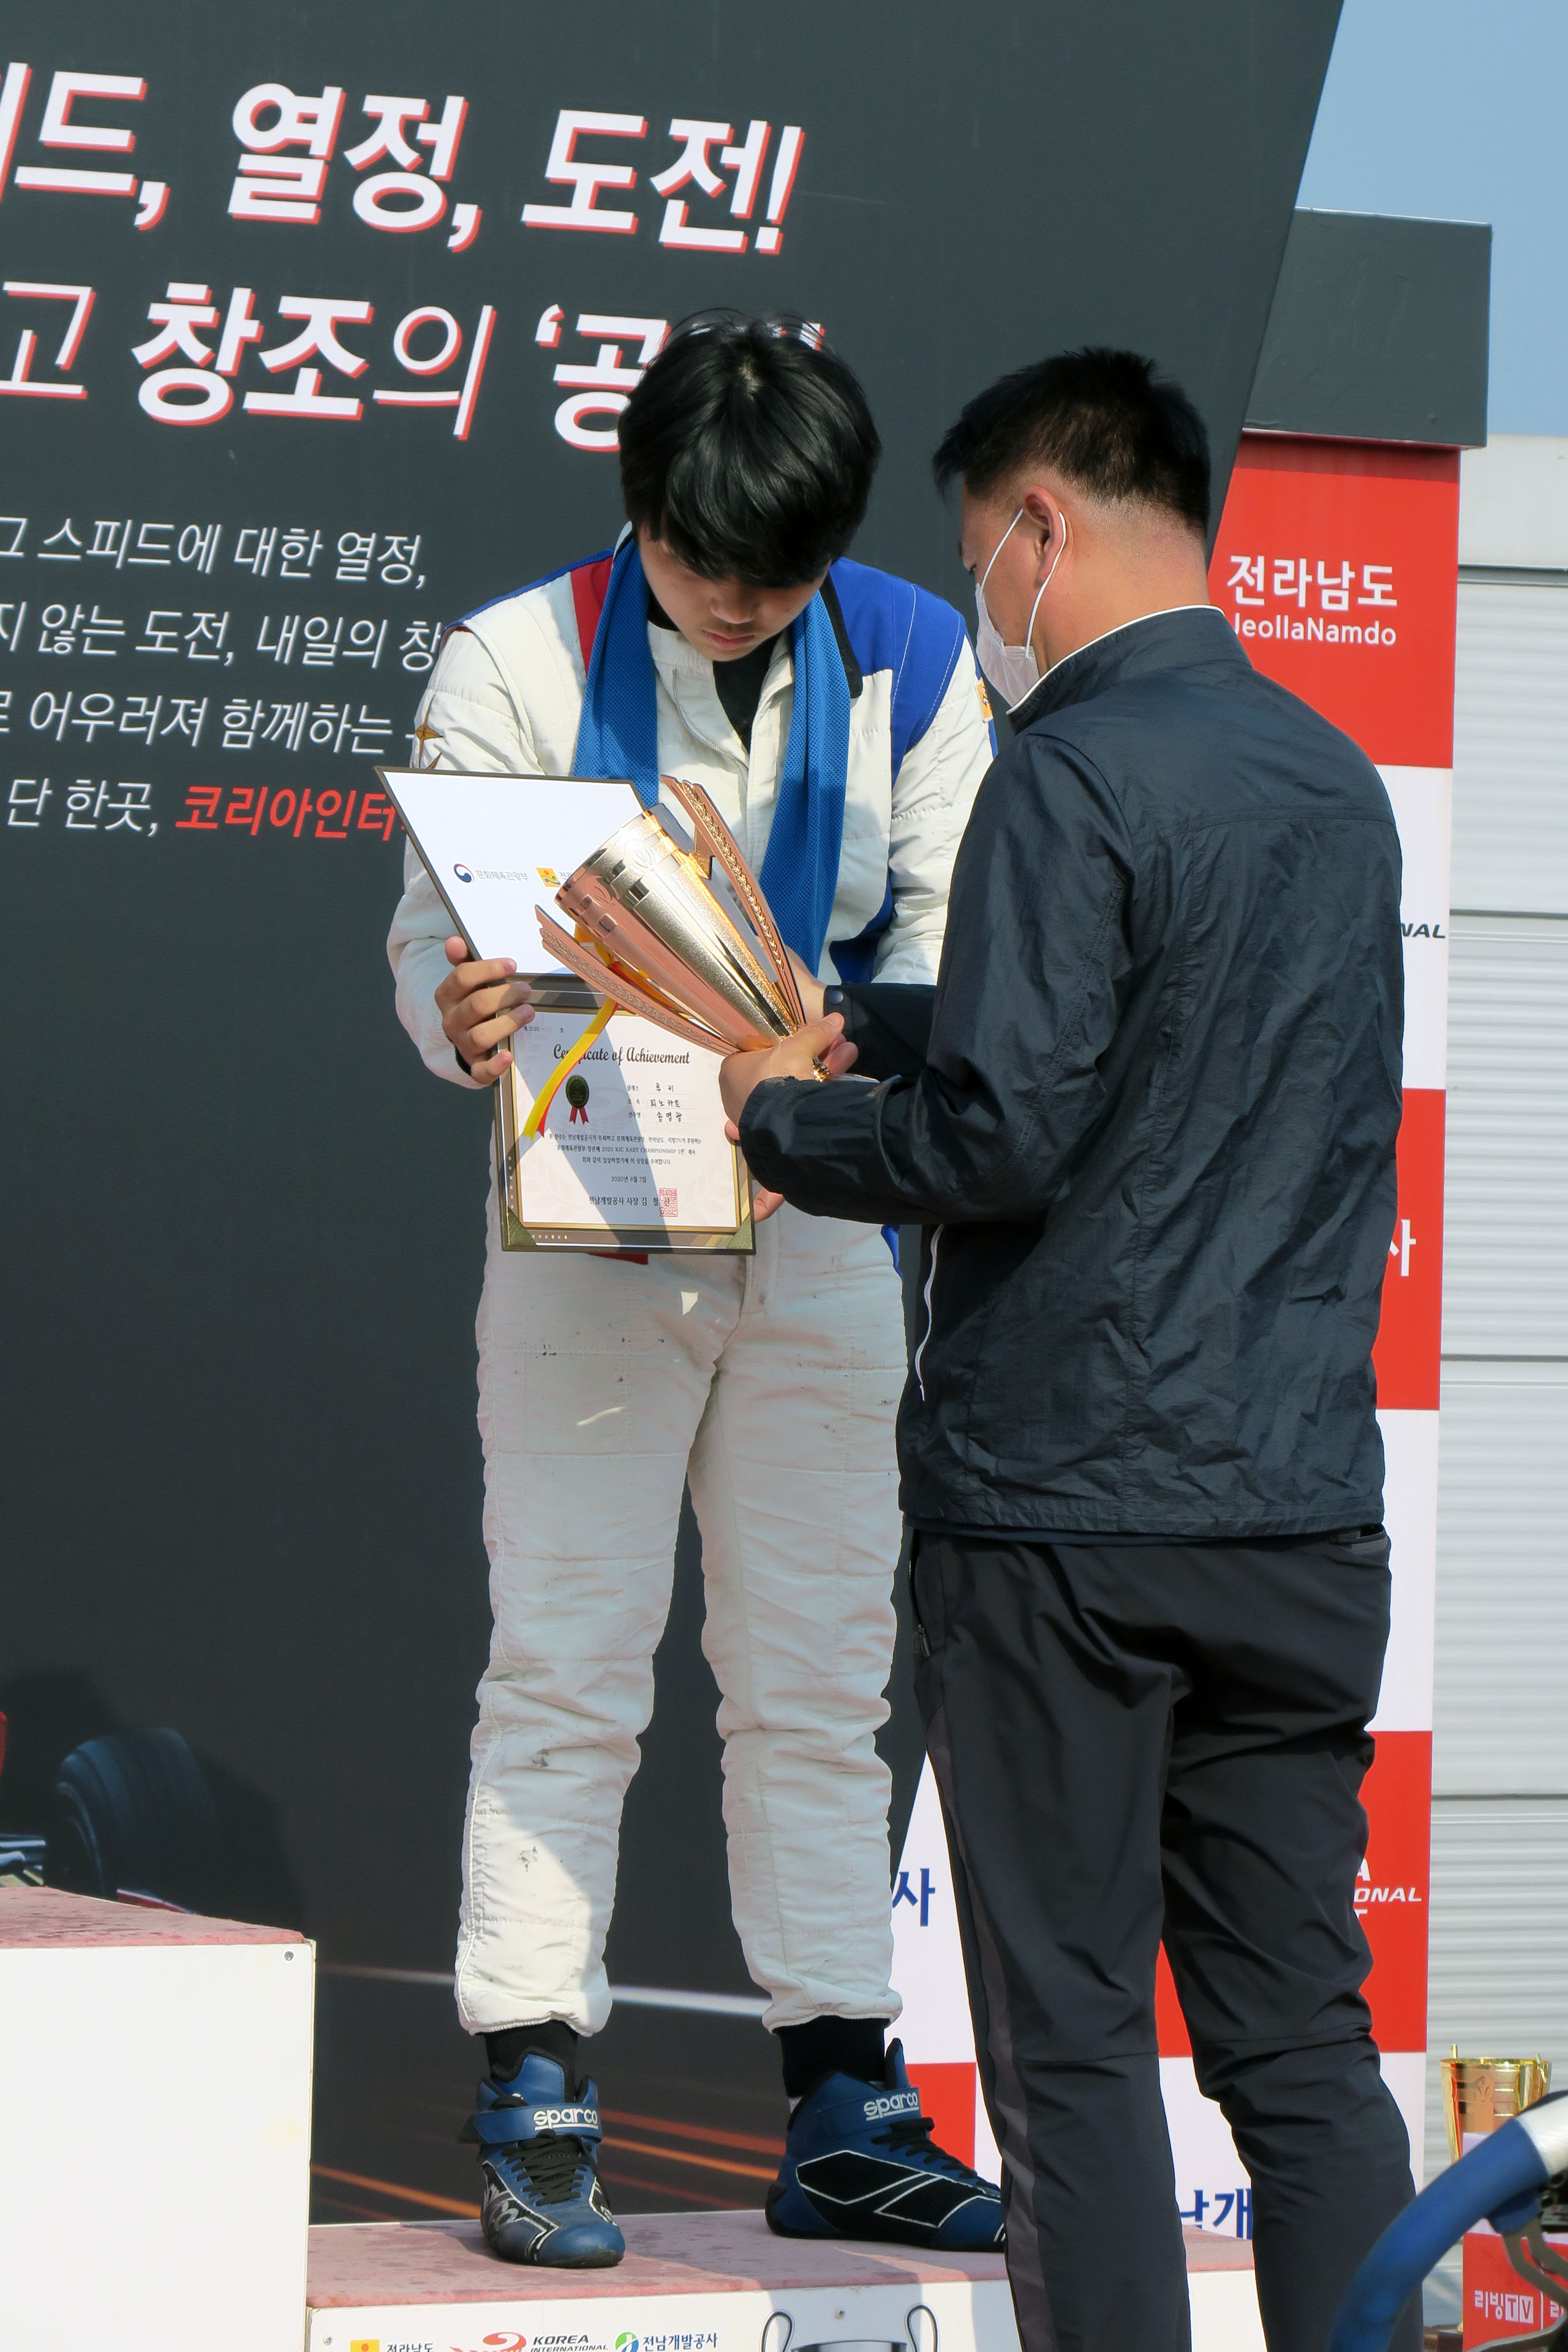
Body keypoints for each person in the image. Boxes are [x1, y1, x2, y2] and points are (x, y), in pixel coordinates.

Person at [719, 347, 1417, 2352]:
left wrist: (782, 1114)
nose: (985, 608)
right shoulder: (1335, 780)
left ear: (1040, 528)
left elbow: (1000, 1138)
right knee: (1301, 2042)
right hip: (1296, 1519)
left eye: (978, 560)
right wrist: (895, 1019)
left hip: (1066, 1522)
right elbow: (1159, 1054)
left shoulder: (1072, 771)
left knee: (1077, 2042)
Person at [386, 312, 1003, 2268]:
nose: (736, 605)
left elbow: (951, 947)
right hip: (586, 1217)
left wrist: (836, 1047)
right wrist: (456, 1016)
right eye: (700, 563)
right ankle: (534, 2087)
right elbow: (429, 944)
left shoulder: (914, 656)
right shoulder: (516, 656)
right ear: (636, 504)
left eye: (779, 577)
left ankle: (843, 2099)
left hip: (821, 1215)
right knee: (566, 1660)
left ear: (838, 548)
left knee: (817, 1676)